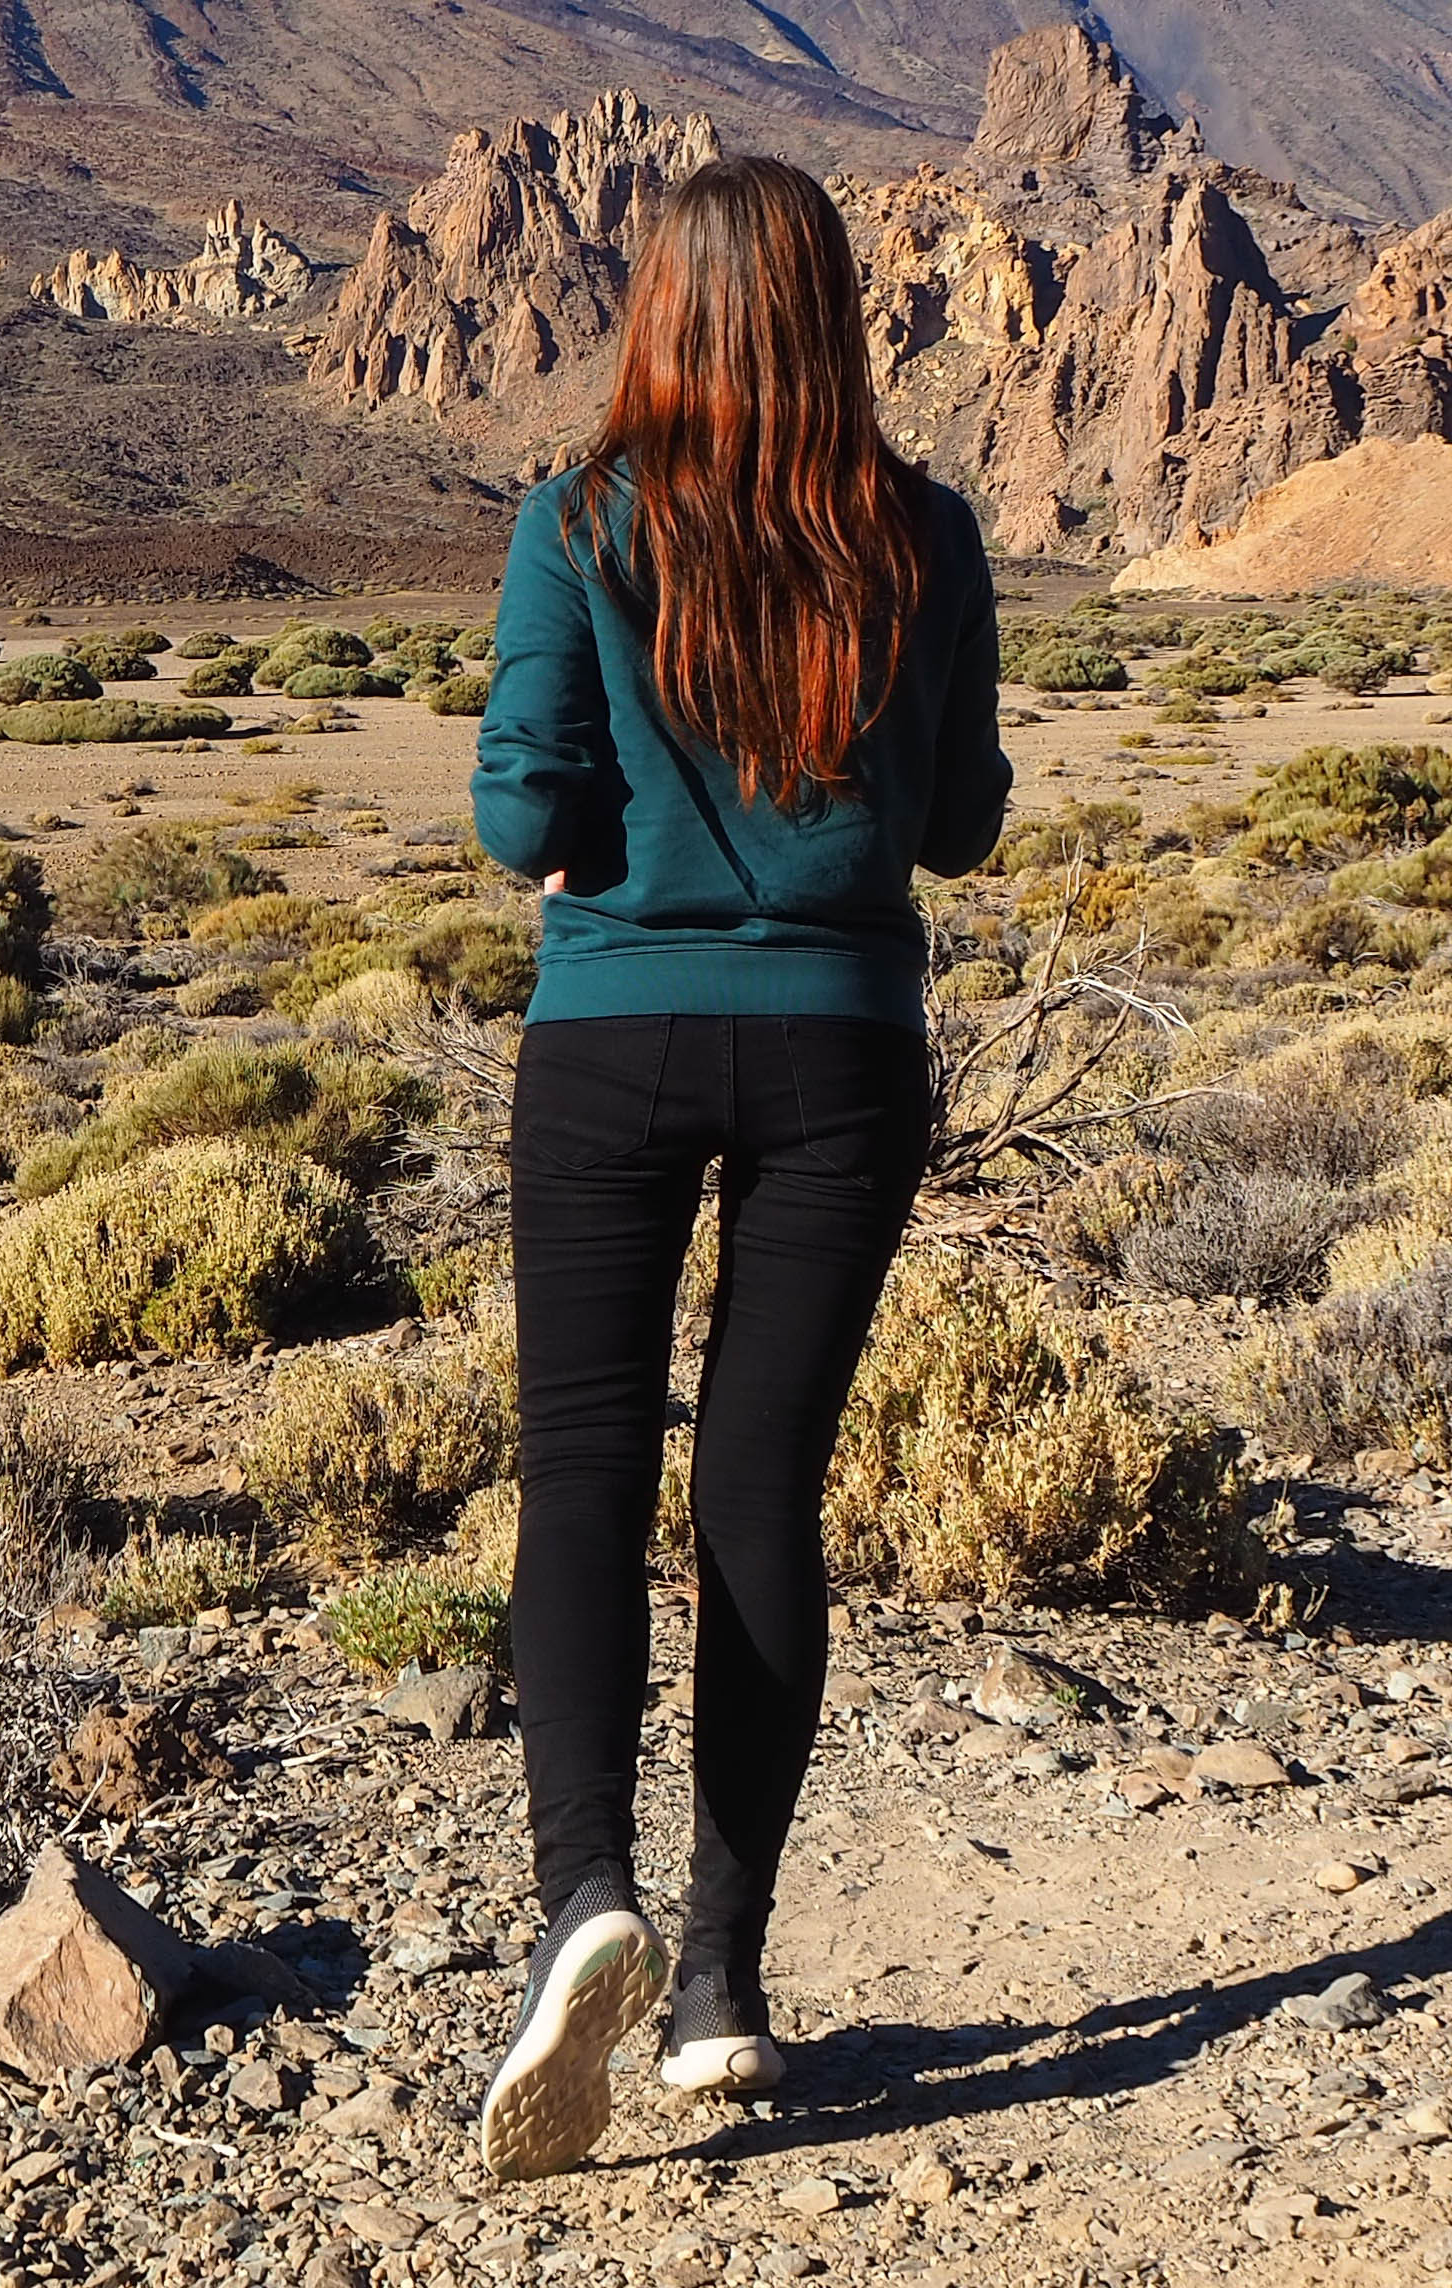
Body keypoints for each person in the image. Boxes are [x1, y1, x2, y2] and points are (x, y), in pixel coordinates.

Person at [461, 153, 1010, 2181]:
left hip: (609, 1037)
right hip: (843, 1054)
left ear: (664, 316)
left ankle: (581, 1893)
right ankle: (719, 1988)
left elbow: (522, 810)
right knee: (762, 1494)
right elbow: (955, 825)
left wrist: (606, 835)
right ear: (835, 313)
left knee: (587, 1465)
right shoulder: (924, 537)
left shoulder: (578, 521)